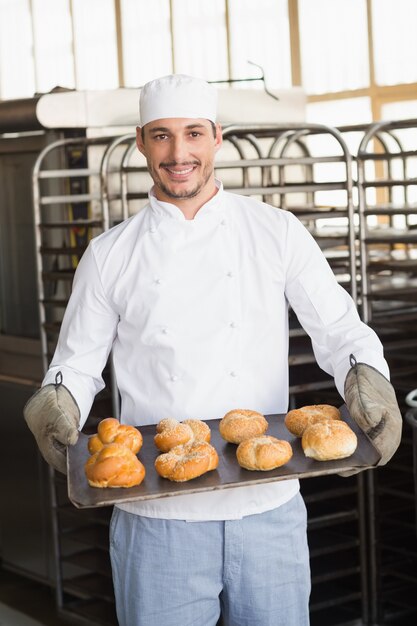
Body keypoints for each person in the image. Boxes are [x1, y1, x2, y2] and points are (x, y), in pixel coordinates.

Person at [24, 74, 402, 626]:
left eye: (193, 134)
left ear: (217, 138)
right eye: (162, 136)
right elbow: (78, 365)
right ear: (140, 142)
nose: (179, 154)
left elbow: (340, 330)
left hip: (267, 509)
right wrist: (57, 403)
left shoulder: (276, 232)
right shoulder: (109, 254)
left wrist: (368, 379)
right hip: (155, 520)